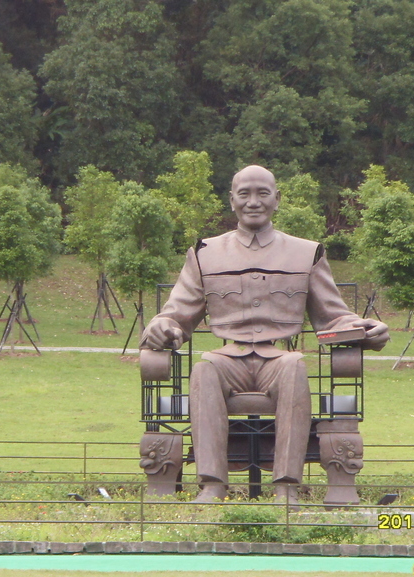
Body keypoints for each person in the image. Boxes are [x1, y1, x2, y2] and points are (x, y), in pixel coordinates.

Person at [140, 165, 389, 503]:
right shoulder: (205, 254)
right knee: (204, 367)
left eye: (262, 193)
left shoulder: (305, 253)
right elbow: (176, 315)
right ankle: (212, 485)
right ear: (231, 200)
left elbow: (332, 316)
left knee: (294, 366)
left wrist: (365, 329)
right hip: (228, 360)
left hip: (278, 361)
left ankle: (286, 487)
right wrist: (161, 327)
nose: (253, 202)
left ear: (277, 199)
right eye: (244, 194)